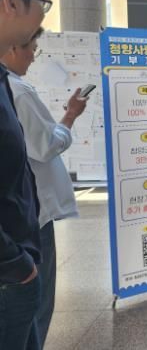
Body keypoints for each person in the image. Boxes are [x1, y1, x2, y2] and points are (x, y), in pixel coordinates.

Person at [0, 26, 88, 347]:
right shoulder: (18, 90)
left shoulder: (10, 86)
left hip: (20, 213)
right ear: (13, 47)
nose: (34, 56)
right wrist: (70, 116)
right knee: (36, 301)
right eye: (31, 48)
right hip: (27, 215)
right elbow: (46, 145)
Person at [0, 0, 51, 350]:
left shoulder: (3, 80)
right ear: (11, 3)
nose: (43, 15)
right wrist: (15, 265)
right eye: (41, 2)